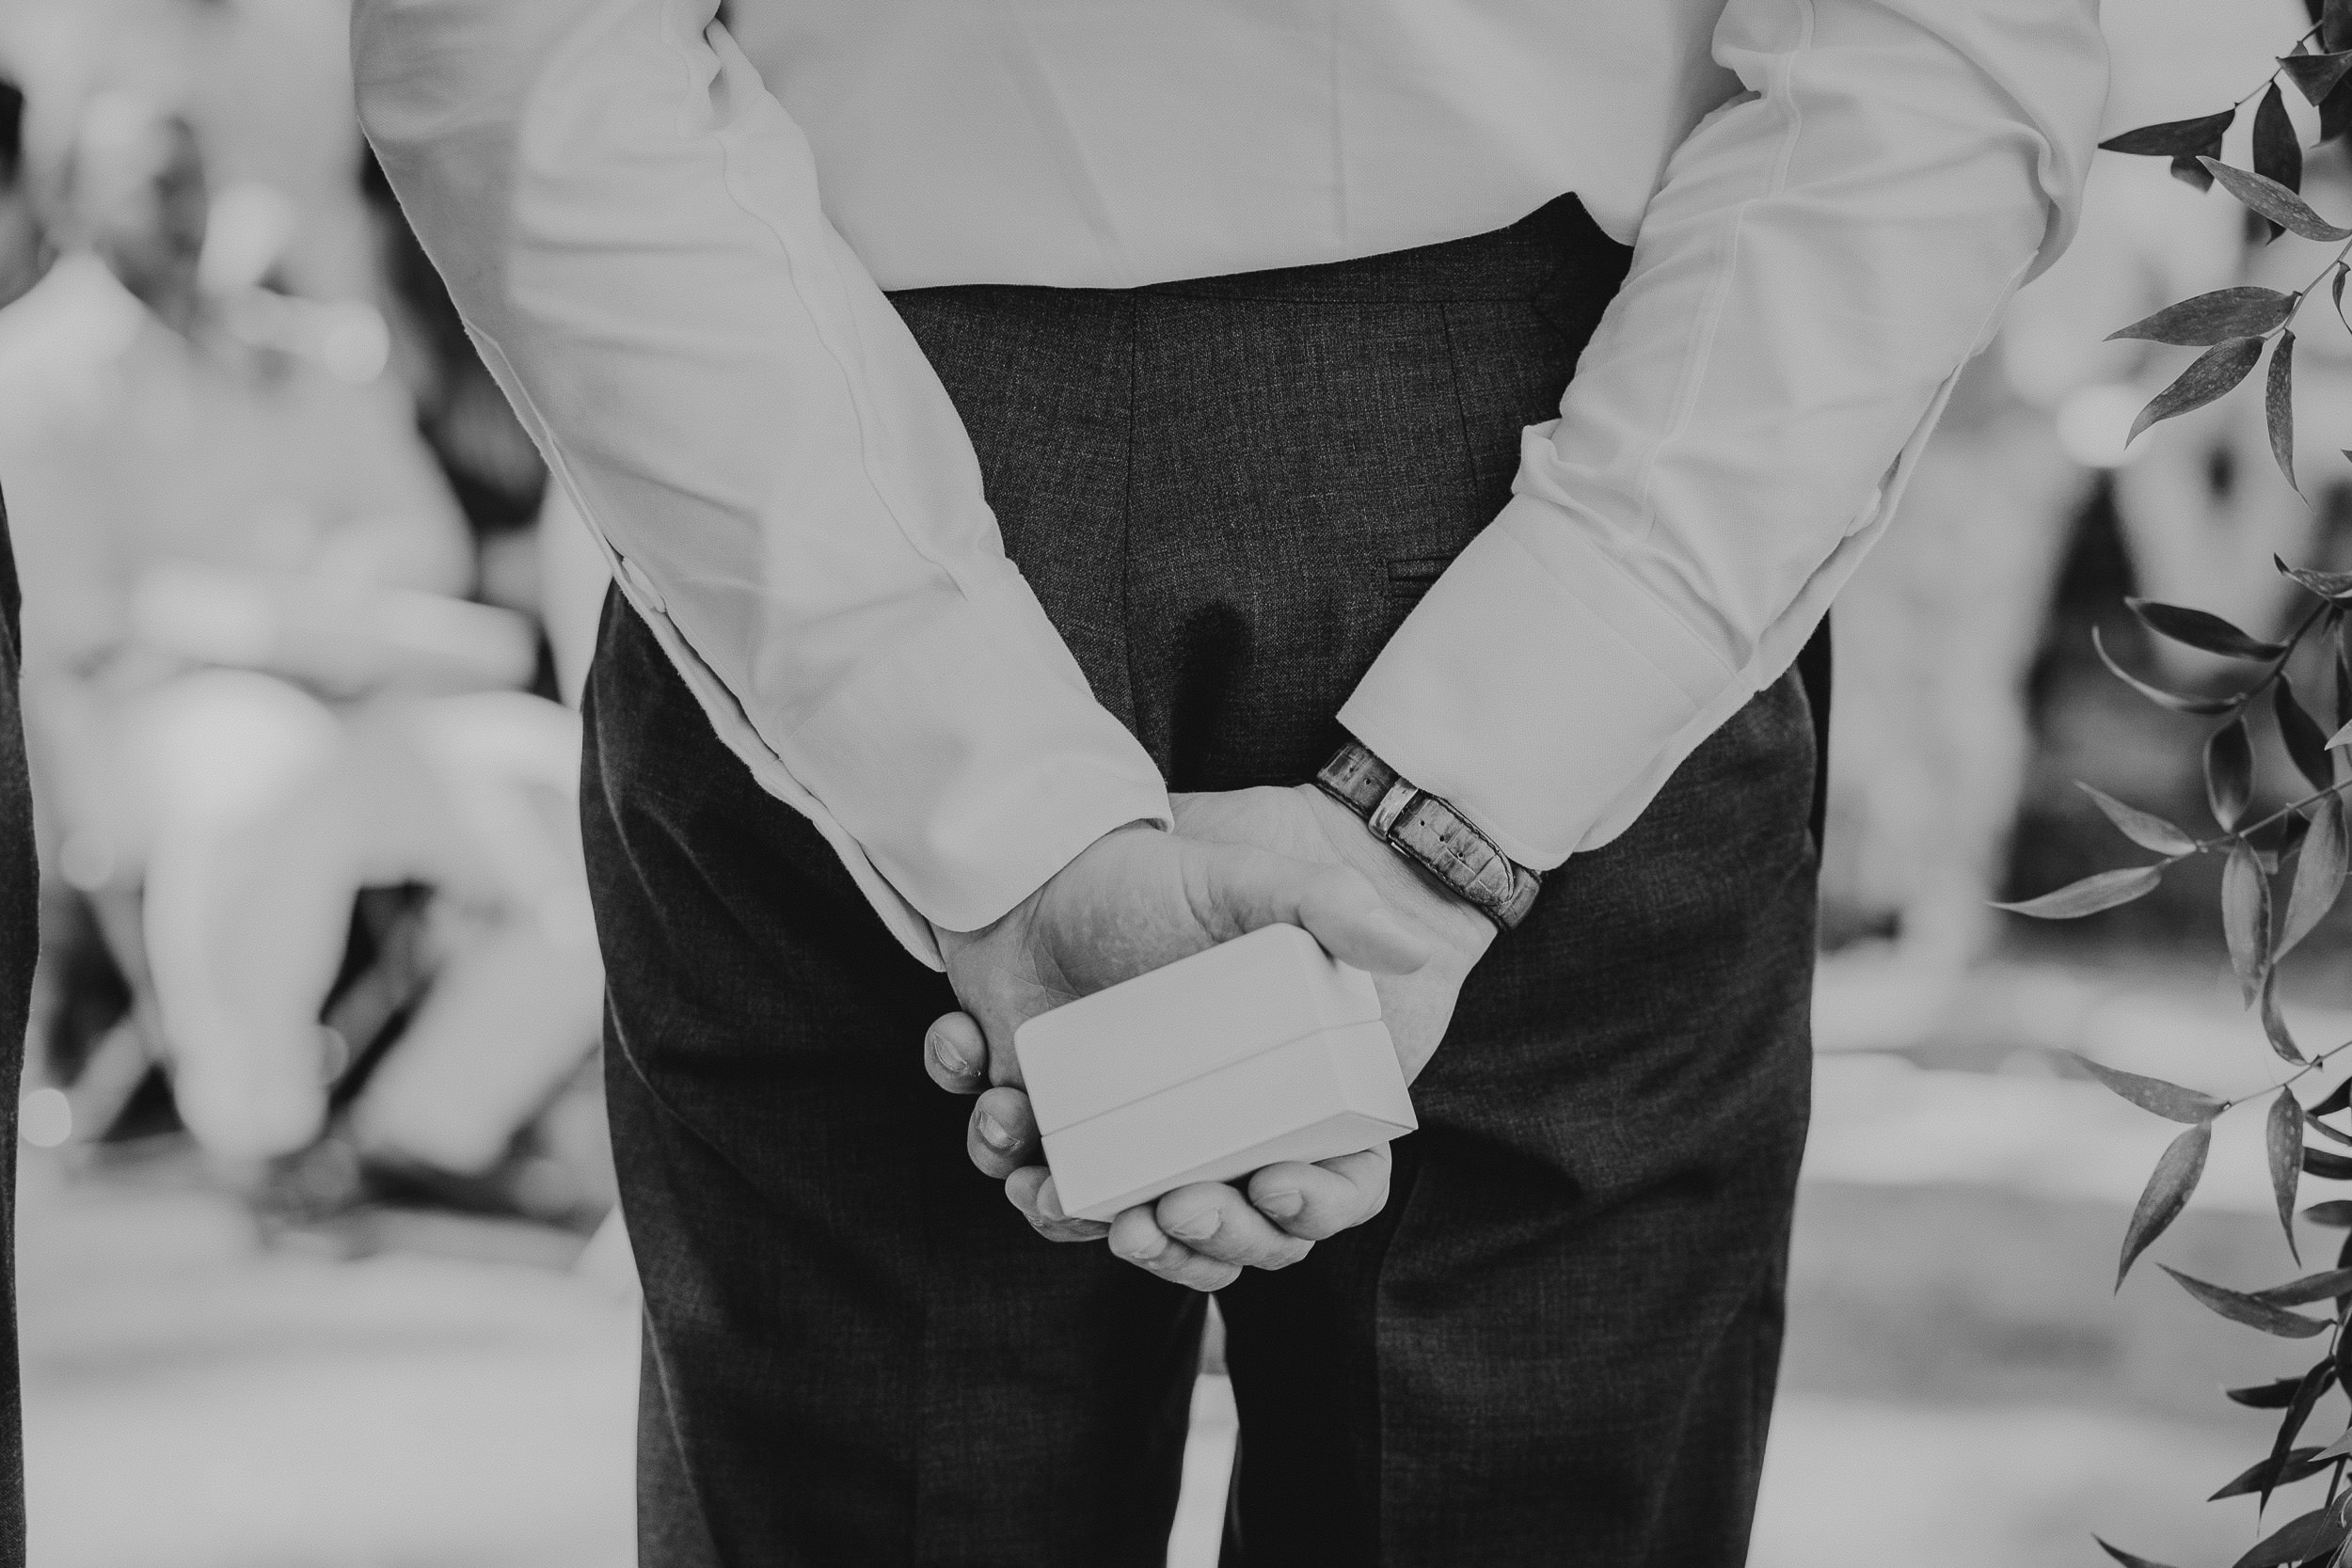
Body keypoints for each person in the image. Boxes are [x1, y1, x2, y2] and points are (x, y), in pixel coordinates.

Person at [357, 2, 2106, 1562]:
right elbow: (1938, 56)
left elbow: (518, 58)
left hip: (834, 455)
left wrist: (973, 784)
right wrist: (1484, 779)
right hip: (1581, 466)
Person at [2, 94, 601, 1179]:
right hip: (151, 722)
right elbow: (74, 614)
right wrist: (274, 619)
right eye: (149, 183)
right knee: (268, 766)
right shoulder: (30, 369)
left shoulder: (295, 343)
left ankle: (425, 1130)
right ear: (70, 199)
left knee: (582, 799)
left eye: (190, 179)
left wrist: (335, 598)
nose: (181, 209)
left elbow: (429, 539)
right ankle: (260, 1131)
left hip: (367, 693)